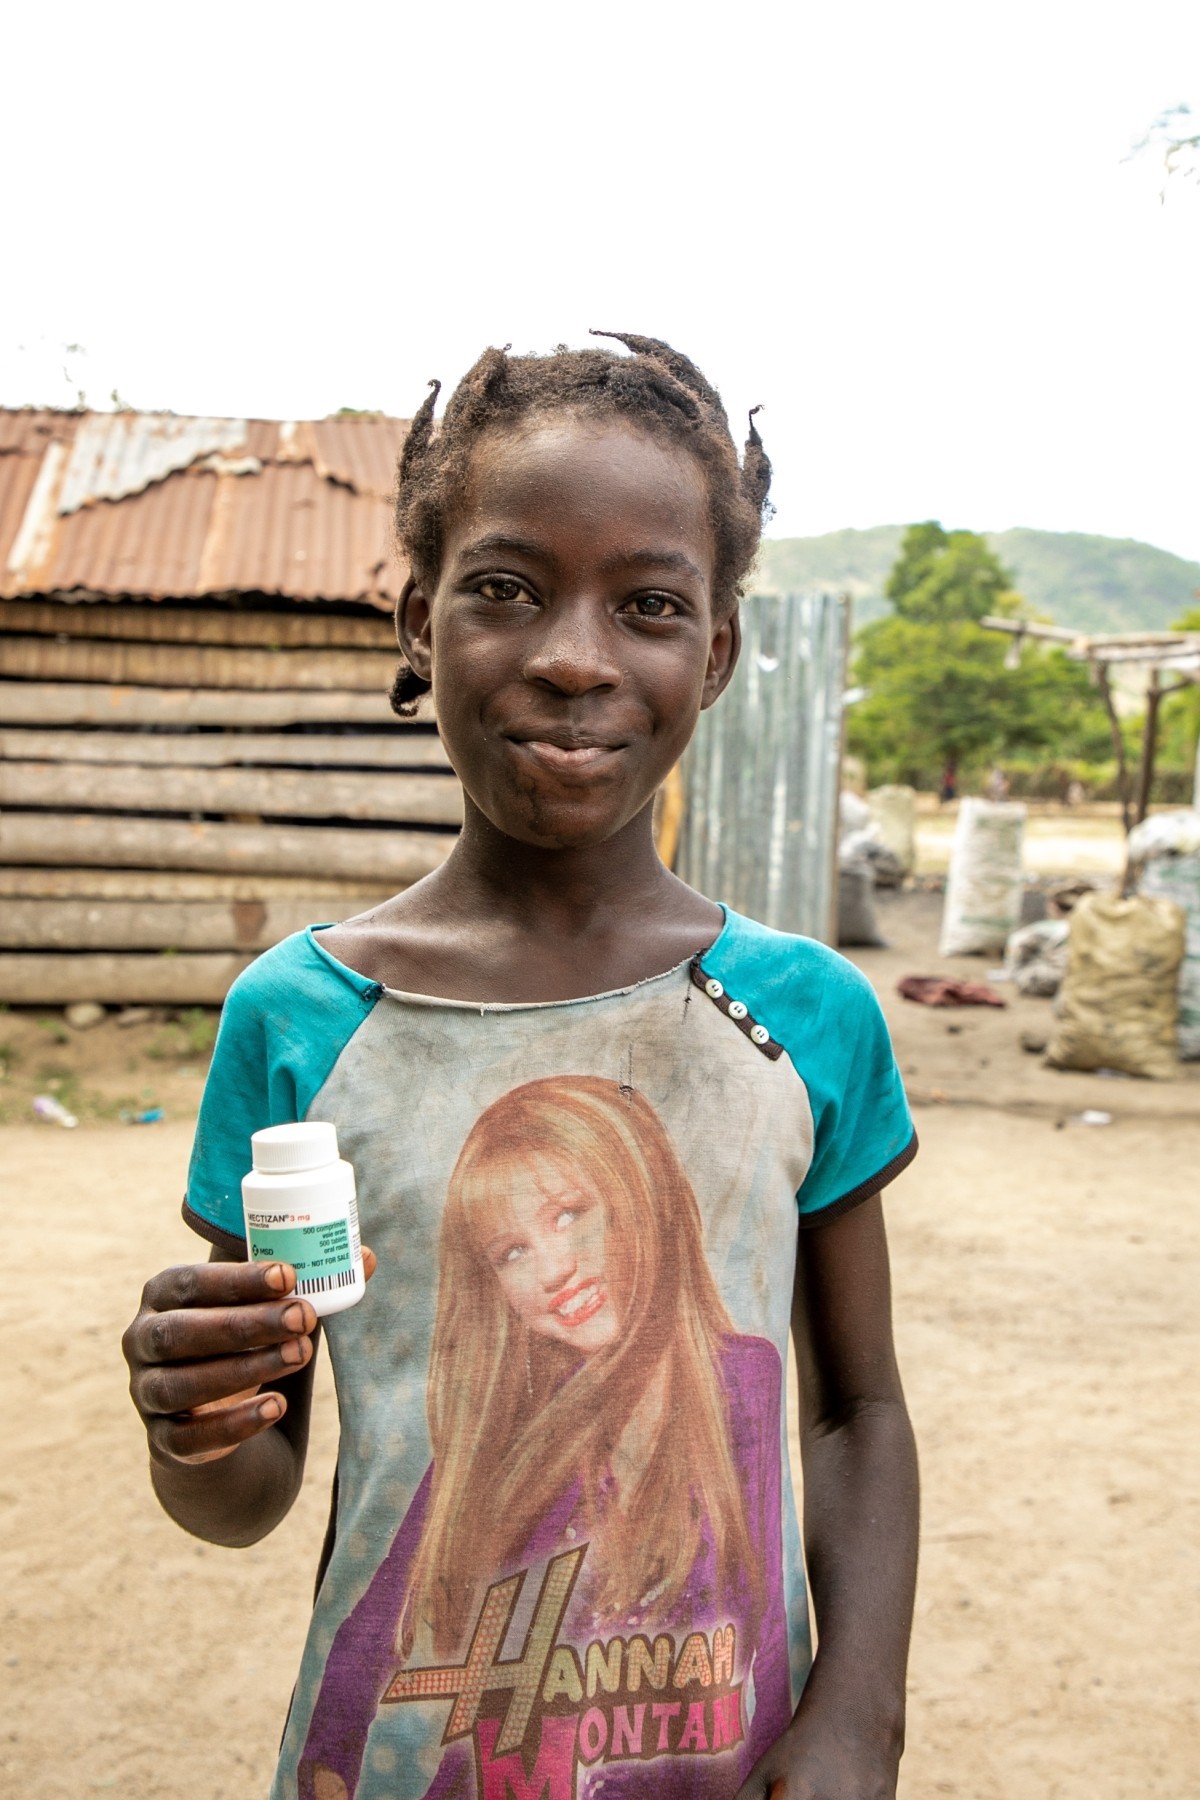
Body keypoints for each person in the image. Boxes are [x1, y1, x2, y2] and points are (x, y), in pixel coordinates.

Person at [123, 333, 920, 1800]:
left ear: (717, 652)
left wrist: (860, 1711)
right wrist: (197, 1422)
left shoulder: (801, 1015)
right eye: (504, 589)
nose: (573, 654)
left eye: (650, 604)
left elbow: (854, 1411)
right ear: (419, 623)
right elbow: (249, 1494)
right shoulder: (300, 1020)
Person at [298, 1076, 791, 1798]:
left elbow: (759, 1625)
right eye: (511, 1253)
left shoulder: (745, 1379)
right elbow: (371, 1632)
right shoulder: (512, 1428)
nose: (554, 1269)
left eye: (568, 1215)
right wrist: (326, 1768)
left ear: (639, 1195)